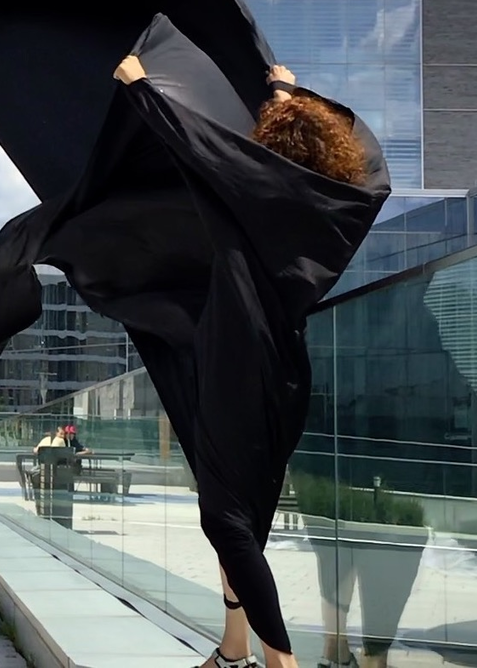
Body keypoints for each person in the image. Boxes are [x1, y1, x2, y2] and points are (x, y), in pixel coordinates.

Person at [113, 51, 389, 668]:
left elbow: (200, 147)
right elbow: (296, 159)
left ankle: (280, 662)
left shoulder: (252, 192)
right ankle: (234, 649)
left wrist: (141, 88)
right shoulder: (344, 205)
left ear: (271, 151)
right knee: (248, 515)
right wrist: (288, 94)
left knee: (226, 521)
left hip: (236, 359)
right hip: (287, 369)